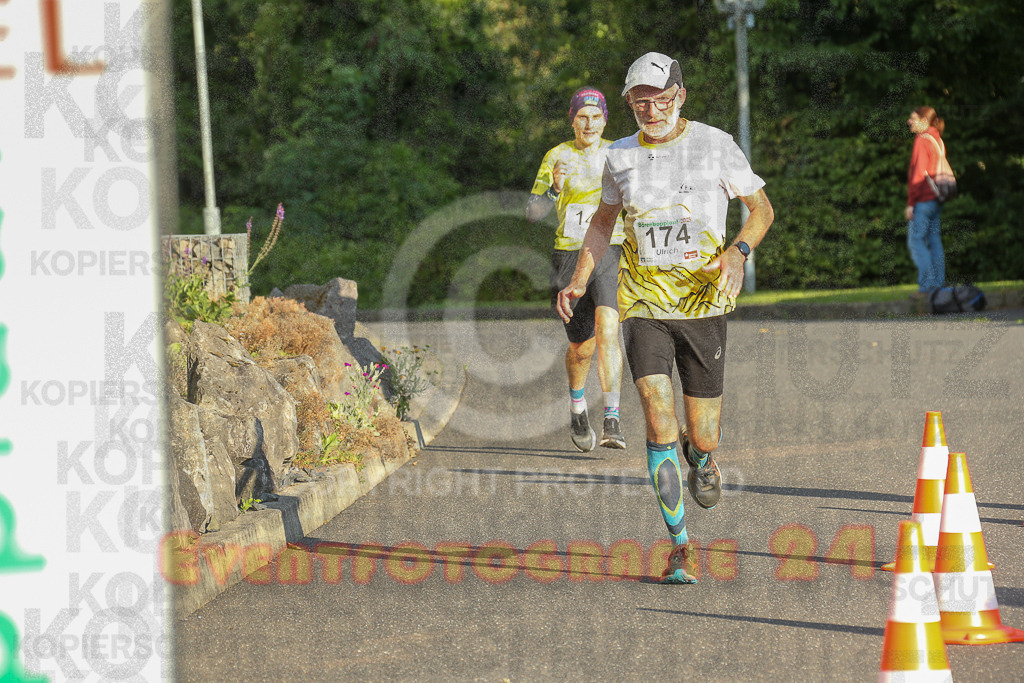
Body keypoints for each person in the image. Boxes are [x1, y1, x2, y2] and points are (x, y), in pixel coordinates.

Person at [556, 53, 774, 584]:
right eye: (638, 102)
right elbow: (604, 222)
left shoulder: (715, 144)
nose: (648, 110)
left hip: (703, 303)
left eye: (657, 99)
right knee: (656, 411)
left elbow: (762, 209)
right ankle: (680, 547)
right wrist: (581, 278)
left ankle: (700, 458)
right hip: (644, 304)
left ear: (679, 95)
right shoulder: (621, 156)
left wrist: (738, 252)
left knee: (704, 435)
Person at [527, 87, 628, 452]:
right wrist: (554, 188)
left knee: (608, 327)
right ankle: (577, 406)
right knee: (581, 348)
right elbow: (533, 212)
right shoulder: (557, 156)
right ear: (572, 120)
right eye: (582, 117)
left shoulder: (619, 153)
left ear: (605, 120)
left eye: (596, 116)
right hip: (569, 253)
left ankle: (613, 419)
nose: (589, 123)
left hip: (611, 248)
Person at [905, 106, 947, 297]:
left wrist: (911, 203)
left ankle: (927, 286)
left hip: (923, 199)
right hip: (937, 198)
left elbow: (918, 175)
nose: (909, 121)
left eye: (913, 118)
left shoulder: (922, 140)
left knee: (916, 240)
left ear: (923, 120)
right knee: (933, 240)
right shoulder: (937, 139)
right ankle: (938, 284)